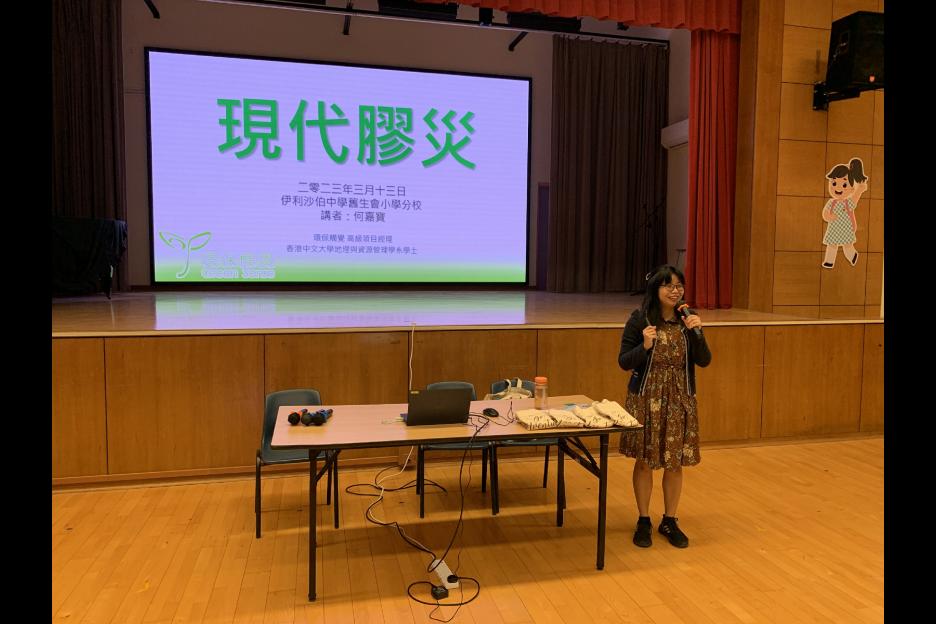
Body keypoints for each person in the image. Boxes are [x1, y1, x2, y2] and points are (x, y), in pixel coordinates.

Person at [618, 265, 712, 548]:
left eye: (679, 285)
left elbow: (704, 360)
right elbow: (624, 361)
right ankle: (643, 519)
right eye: (668, 285)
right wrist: (644, 346)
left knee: (674, 461)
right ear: (655, 289)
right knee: (645, 461)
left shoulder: (687, 319)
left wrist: (698, 332)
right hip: (647, 398)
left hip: (679, 398)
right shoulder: (640, 319)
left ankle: (670, 520)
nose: (675, 291)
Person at [822, 158, 869, 269]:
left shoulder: (848, 202)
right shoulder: (831, 202)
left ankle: (853, 256)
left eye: (844, 185)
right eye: (834, 183)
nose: (838, 188)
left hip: (846, 228)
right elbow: (825, 213)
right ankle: (829, 261)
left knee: (847, 245)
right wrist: (828, 216)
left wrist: (860, 190)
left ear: (852, 188)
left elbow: (855, 198)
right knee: (832, 245)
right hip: (834, 229)